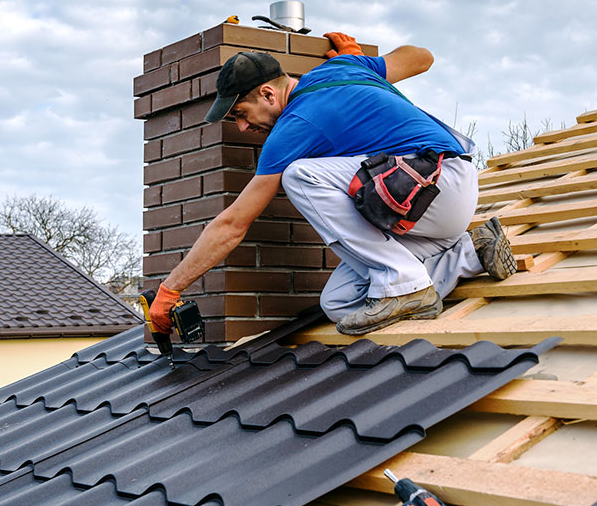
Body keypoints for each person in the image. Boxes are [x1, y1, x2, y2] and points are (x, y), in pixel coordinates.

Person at [147, 33, 518, 337]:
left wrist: (171, 289)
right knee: (340, 303)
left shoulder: (294, 126)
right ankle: (470, 252)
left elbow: (232, 224)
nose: (243, 128)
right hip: (434, 205)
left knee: (300, 175)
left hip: (436, 183)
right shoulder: (345, 66)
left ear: (267, 94)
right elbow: (422, 55)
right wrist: (365, 64)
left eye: (241, 115)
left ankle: (406, 284)